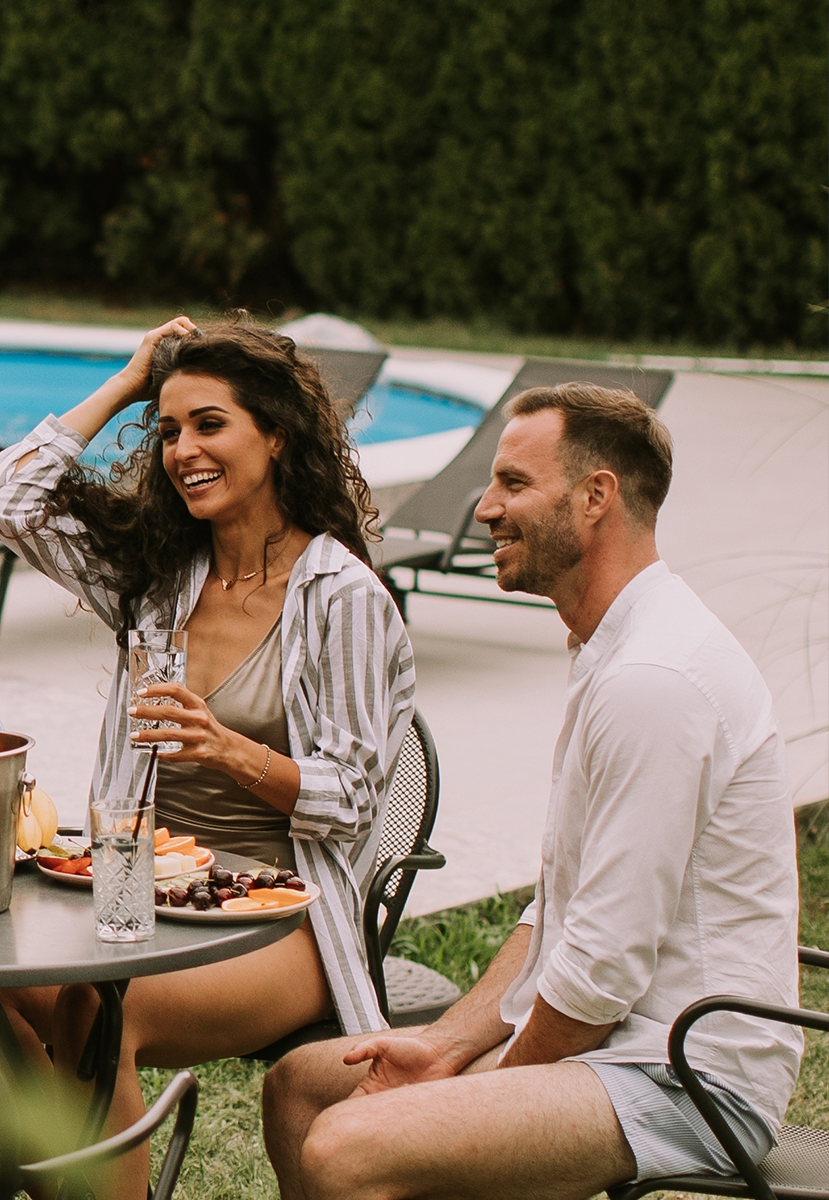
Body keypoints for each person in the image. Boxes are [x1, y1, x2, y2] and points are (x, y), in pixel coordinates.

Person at [261, 384, 798, 1200]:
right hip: (616, 1046)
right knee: (301, 1086)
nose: (484, 508)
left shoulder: (655, 679)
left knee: (347, 1146)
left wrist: (484, 1083)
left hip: (685, 1076)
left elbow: (599, 971)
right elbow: (557, 913)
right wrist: (444, 1047)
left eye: (513, 483)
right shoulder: (611, 650)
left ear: (595, 497)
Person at [0, 316, 417, 1198]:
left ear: (277, 434)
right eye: (169, 430)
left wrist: (227, 749)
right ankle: (82, 1177)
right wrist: (133, 377)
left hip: (284, 916)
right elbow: (4, 501)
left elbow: (357, 798)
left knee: (94, 1005)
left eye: (210, 424)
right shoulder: (161, 576)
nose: (182, 450)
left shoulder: (341, 597)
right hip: (142, 890)